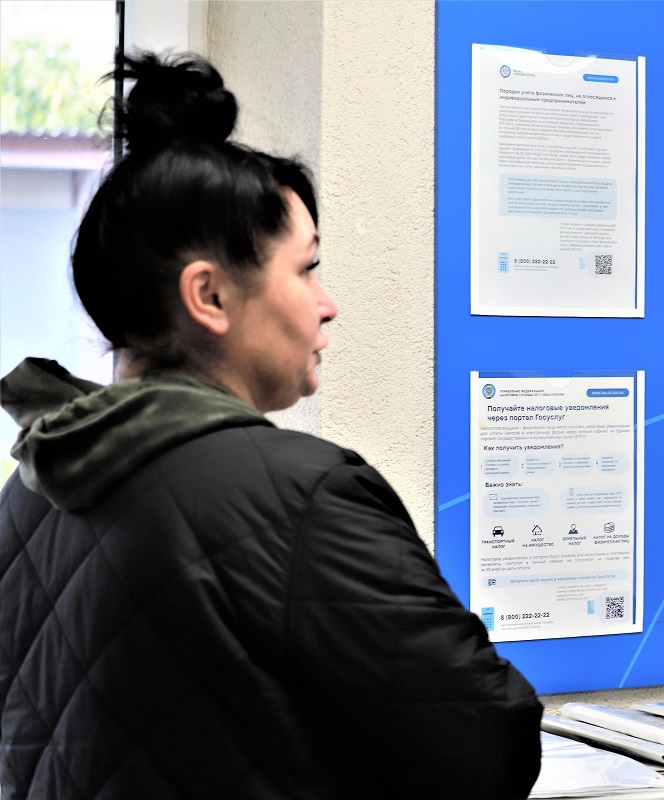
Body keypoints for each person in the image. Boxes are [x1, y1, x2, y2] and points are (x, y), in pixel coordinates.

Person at [0, 52, 542, 799]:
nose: (327, 304)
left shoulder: (32, 491)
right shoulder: (299, 495)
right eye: (306, 269)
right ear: (210, 296)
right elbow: (488, 747)